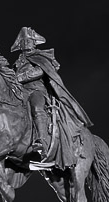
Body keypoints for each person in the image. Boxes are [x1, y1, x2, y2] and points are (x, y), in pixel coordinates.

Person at [11, 26, 93, 168]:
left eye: (29, 41)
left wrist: (20, 77)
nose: (27, 43)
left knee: (37, 107)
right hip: (21, 93)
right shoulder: (18, 62)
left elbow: (40, 71)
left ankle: (42, 140)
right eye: (24, 41)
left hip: (37, 90)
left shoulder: (41, 56)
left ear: (34, 43)